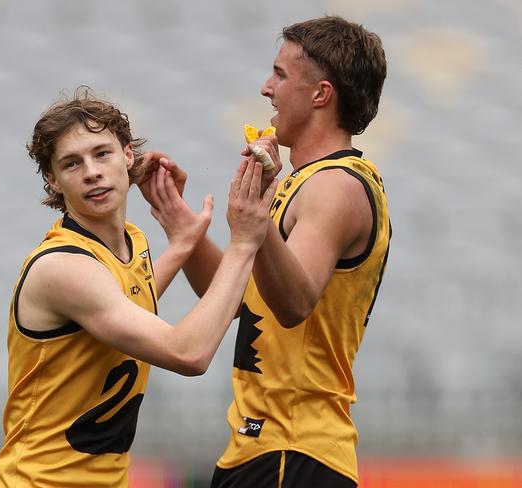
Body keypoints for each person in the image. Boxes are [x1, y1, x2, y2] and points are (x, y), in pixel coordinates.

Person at [140, 16, 391, 488]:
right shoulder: (298, 183)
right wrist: (183, 229)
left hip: (296, 448)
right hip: (260, 446)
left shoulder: (337, 186)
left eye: (279, 74)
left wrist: (257, 226)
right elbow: (237, 300)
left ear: (320, 94)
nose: (265, 88)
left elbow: (295, 303)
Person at [0, 86, 278, 487]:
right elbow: (190, 353)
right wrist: (245, 241)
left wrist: (181, 246)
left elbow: (132, 303)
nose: (91, 171)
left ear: (128, 156)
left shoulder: (132, 242)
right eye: (71, 163)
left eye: (102, 153)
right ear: (52, 180)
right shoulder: (63, 266)